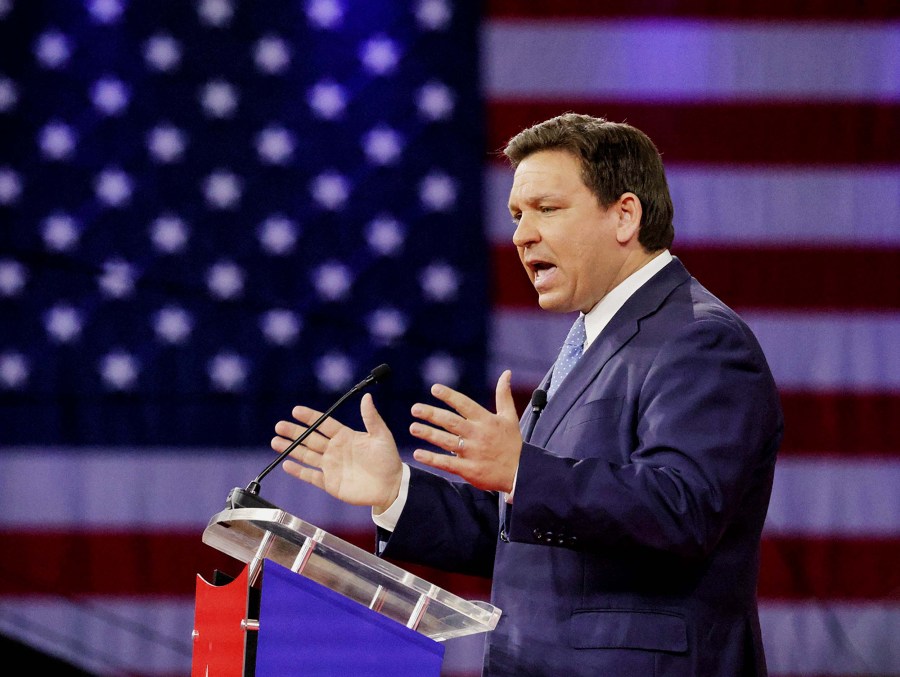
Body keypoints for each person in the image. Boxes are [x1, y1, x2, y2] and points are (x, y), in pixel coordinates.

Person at [271, 113, 784, 677]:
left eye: (547, 209)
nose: (521, 235)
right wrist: (398, 493)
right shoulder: (595, 338)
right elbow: (529, 533)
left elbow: (680, 509)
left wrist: (522, 471)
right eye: (518, 214)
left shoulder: (699, 338)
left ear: (624, 215)